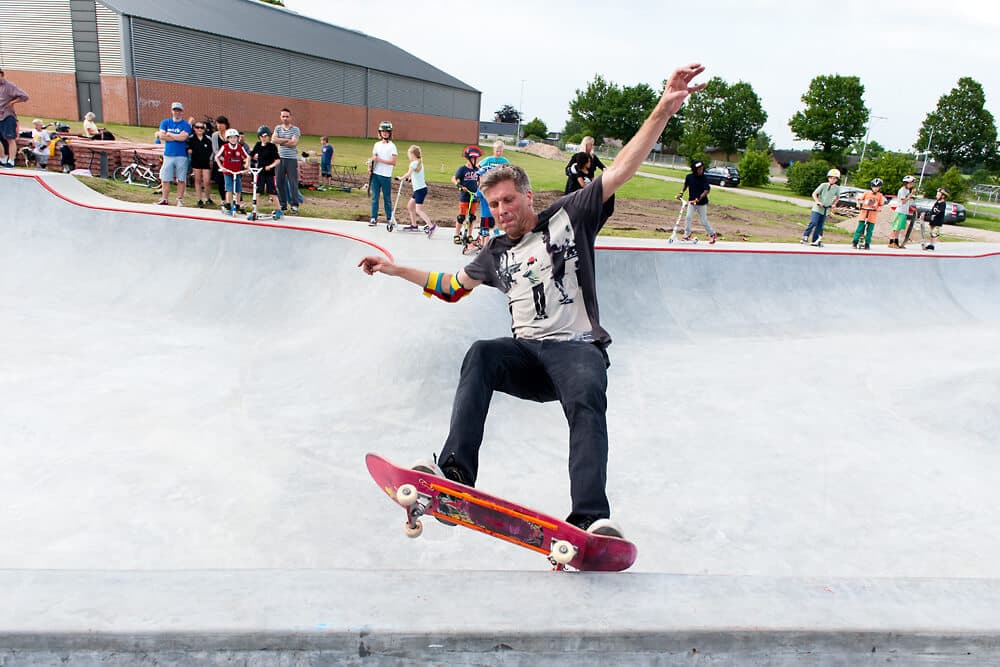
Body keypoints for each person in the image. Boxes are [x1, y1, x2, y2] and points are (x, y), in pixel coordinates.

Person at [358, 63, 708, 538]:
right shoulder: (494, 253)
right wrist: (397, 269)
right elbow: (450, 287)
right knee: (481, 353)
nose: (501, 212)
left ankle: (590, 518)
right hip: (526, 356)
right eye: (493, 205)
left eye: (508, 201)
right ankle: (456, 473)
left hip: (577, 349)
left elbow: (623, 167)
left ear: (526, 196)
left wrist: (662, 110)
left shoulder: (570, 216)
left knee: (586, 394)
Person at [156, 102, 192, 206]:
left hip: (181, 155)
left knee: (181, 179)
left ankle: (179, 199)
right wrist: (177, 136)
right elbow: (161, 136)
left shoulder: (185, 124)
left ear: (182, 112)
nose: (177, 112)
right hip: (168, 154)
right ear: (172, 111)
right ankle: (164, 199)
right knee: (166, 178)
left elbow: (183, 138)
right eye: (175, 110)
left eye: (179, 110)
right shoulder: (165, 122)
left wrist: (170, 134)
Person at [676, 160, 717, 243]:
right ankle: (687, 234)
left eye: (702, 169)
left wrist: (698, 199)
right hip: (691, 202)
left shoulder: (704, 178)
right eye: (699, 169)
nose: (701, 171)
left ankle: (712, 234)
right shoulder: (689, 177)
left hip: (702, 203)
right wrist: (681, 193)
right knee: (688, 217)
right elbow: (685, 185)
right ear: (695, 170)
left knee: (704, 221)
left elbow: (706, 190)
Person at [476, 140, 511, 236]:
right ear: (493, 150)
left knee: (496, 210)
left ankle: (495, 228)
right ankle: (483, 228)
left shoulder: (505, 161)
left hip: (498, 189)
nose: (498, 153)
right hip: (487, 188)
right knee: (485, 208)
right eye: (497, 151)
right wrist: (481, 178)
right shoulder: (488, 160)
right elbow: (477, 168)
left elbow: (508, 173)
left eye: (500, 151)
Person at [800, 168, 841, 247]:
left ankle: (815, 240)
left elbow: (838, 198)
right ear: (828, 178)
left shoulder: (837, 188)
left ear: (837, 179)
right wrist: (818, 201)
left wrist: (834, 204)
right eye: (831, 178)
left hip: (826, 209)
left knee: (820, 225)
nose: (832, 180)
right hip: (817, 208)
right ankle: (805, 236)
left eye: (834, 178)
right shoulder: (823, 185)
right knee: (813, 222)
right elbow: (814, 194)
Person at [272, 108, 302, 214]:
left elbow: (294, 143)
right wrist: (287, 140)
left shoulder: (295, 129)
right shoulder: (278, 128)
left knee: (293, 182)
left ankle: (294, 205)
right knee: (279, 183)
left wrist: (281, 141)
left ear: (290, 117)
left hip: (291, 159)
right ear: (280, 117)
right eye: (283, 116)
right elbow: (273, 140)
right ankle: (282, 204)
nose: (285, 118)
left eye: (287, 116)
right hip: (280, 159)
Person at [400, 144, 434, 234]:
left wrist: (401, 178)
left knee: (418, 210)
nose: (408, 156)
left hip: (420, 190)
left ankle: (431, 226)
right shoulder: (419, 163)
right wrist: (410, 179)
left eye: (409, 154)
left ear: (412, 154)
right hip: (419, 189)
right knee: (410, 206)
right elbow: (414, 175)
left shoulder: (414, 163)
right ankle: (414, 225)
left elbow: (408, 173)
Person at [369, 120, 398, 226]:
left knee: (387, 198)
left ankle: (389, 218)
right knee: (375, 197)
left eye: (387, 131)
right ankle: (373, 218)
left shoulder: (392, 146)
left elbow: (393, 162)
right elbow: (373, 158)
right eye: (383, 131)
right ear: (380, 132)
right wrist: (370, 167)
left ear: (390, 133)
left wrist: (379, 160)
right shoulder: (376, 144)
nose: (385, 133)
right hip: (376, 174)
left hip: (386, 176)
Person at [452, 145, 482, 243]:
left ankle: (469, 235)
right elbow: (453, 179)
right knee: (461, 216)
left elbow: (479, 181)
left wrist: (479, 188)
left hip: (474, 196)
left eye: (476, 159)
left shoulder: (477, 170)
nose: (476, 161)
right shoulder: (462, 169)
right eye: (474, 159)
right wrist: (459, 185)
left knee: (472, 217)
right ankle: (456, 234)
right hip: (465, 196)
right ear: (469, 159)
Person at [215, 127, 250, 213]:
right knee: (229, 188)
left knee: (238, 189)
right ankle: (227, 203)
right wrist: (221, 167)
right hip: (227, 171)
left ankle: (237, 204)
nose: (233, 139)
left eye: (235, 137)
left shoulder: (239, 147)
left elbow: (248, 156)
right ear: (228, 139)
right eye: (231, 137)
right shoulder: (225, 147)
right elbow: (217, 157)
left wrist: (247, 165)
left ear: (237, 138)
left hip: (237, 172)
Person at [0, 68, 29, 168]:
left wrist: (12, 102)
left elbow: (24, 96)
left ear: (1, 75)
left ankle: (11, 161)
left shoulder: (9, 86)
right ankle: (2, 158)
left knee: (10, 139)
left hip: (7, 115)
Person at [250, 125, 281, 213]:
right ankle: (255, 210)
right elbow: (250, 155)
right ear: (259, 137)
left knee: (272, 192)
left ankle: (278, 209)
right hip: (260, 172)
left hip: (270, 173)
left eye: (265, 136)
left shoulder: (272, 147)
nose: (263, 138)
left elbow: (278, 160)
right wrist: (247, 163)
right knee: (257, 192)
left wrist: (270, 166)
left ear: (269, 136)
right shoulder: (258, 145)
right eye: (261, 136)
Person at [187, 120, 215, 208]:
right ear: (194, 129)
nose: (199, 129)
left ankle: (208, 198)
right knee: (197, 180)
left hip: (205, 163)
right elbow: (187, 148)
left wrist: (211, 160)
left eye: (201, 127)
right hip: (196, 162)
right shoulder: (191, 138)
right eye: (197, 127)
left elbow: (212, 151)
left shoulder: (208, 139)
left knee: (207, 181)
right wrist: (189, 150)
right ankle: (199, 199)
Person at [852, 178, 885, 250]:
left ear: (879, 188)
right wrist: (858, 204)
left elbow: (881, 205)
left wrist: (879, 209)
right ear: (871, 187)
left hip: (872, 215)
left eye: (877, 187)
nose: (875, 188)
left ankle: (867, 243)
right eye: (874, 187)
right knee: (860, 228)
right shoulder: (867, 193)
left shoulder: (880, 195)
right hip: (864, 213)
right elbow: (858, 199)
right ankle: (855, 242)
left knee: (869, 230)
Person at [889, 175, 916, 249]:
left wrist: (911, 207)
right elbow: (903, 201)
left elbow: (907, 202)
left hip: (904, 212)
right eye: (911, 183)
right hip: (900, 211)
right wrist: (911, 194)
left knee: (899, 228)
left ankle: (896, 242)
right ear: (906, 183)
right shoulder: (902, 190)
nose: (912, 185)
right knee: (896, 227)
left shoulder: (907, 190)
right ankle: (892, 242)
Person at [210, 115, 230, 203]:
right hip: (219, 161)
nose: (219, 126)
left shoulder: (230, 134)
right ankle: (223, 200)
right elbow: (215, 150)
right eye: (218, 124)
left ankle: (236, 200)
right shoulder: (215, 135)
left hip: (230, 161)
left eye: (221, 123)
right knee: (220, 181)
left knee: (230, 181)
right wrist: (222, 159)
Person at [924, 187, 949, 251]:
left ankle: (932, 246)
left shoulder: (943, 204)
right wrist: (926, 214)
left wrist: (931, 213)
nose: (936, 196)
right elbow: (932, 211)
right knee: (931, 232)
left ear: (943, 196)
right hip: (933, 220)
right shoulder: (937, 202)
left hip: (938, 221)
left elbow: (937, 211)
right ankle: (931, 244)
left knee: (934, 233)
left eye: (938, 194)